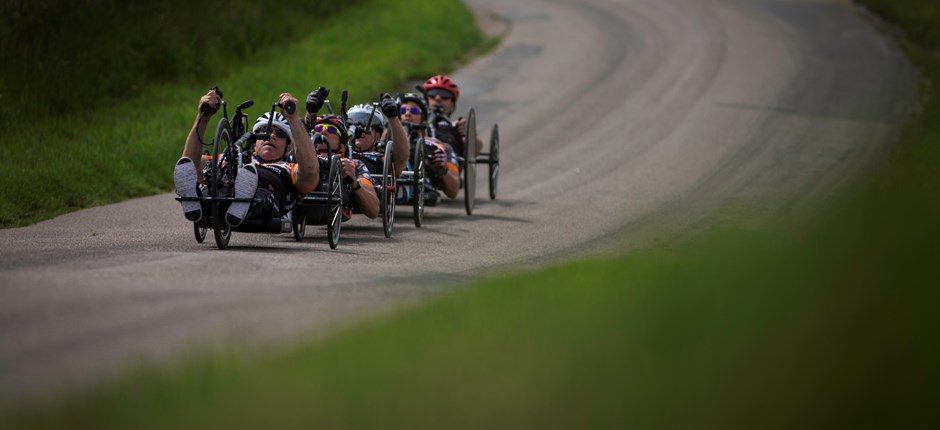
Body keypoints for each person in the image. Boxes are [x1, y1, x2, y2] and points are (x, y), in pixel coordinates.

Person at [174, 91, 318, 228]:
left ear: (287, 149)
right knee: (197, 174)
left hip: (263, 200)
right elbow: (191, 164)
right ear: (254, 143)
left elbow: (310, 171)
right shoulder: (232, 158)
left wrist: (293, 118)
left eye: (280, 133)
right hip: (221, 194)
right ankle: (193, 199)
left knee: (261, 198)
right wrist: (203, 116)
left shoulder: (289, 169)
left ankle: (244, 202)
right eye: (262, 131)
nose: (271, 136)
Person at [312, 114, 380, 220]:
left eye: (331, 129)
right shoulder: (298, 158)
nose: (323, 132)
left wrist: (353, 182)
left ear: (342, 147)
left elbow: (374, 211)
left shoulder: (354, 164)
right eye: (318, 128)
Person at [397, 92, 460, 202]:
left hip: (424, 187)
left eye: (414, 111)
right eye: (403, 111)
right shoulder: (384, 140)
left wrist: (443, 168)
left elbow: (453, 192)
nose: (407, 114)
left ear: (423, 118)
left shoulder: (438, 145)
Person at [422, 74, 483, 155]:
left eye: (445, 95)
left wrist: (467, 133)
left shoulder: (458, 125)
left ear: (452, 102)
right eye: (433, 93)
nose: (438, 98)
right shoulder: (417, 121)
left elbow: (477, 150)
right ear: (427, 99)